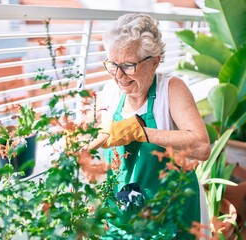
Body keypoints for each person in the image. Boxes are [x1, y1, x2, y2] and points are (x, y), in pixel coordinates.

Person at [88, 13, 211, 239]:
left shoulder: (171, 90)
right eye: (113, 64)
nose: (118, 75)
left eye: (128, 65)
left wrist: (141, 132)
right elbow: (100, 134)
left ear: (154, 61)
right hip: (123, 209)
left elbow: (202, 147)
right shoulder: (109, 92)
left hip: (169, 209)